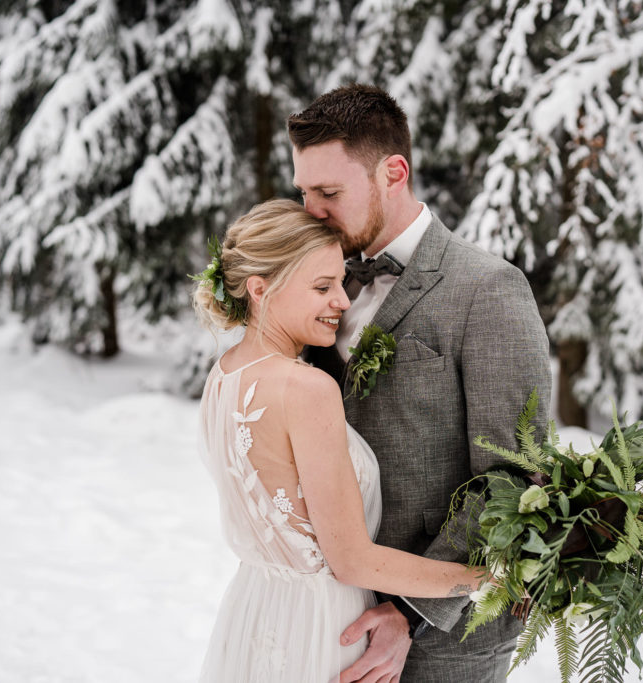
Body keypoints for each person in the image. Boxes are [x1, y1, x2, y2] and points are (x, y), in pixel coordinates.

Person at [288, 84, 552, 681]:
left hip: (447, 637)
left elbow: (514, 479)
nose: (312, 212)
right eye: (304, 192)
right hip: (329, 615)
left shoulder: (488, 291)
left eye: (329, 192)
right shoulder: (319, 281)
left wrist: (409, 610)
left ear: (394, 172)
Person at [193, 198, 490, 682]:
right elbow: (351, 560)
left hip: (254, 613)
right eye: (322, 287)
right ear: (260, 289)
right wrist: (485, 579)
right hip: (321, 629)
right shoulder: (306, 388)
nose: (343, 301)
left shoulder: (223, 376)